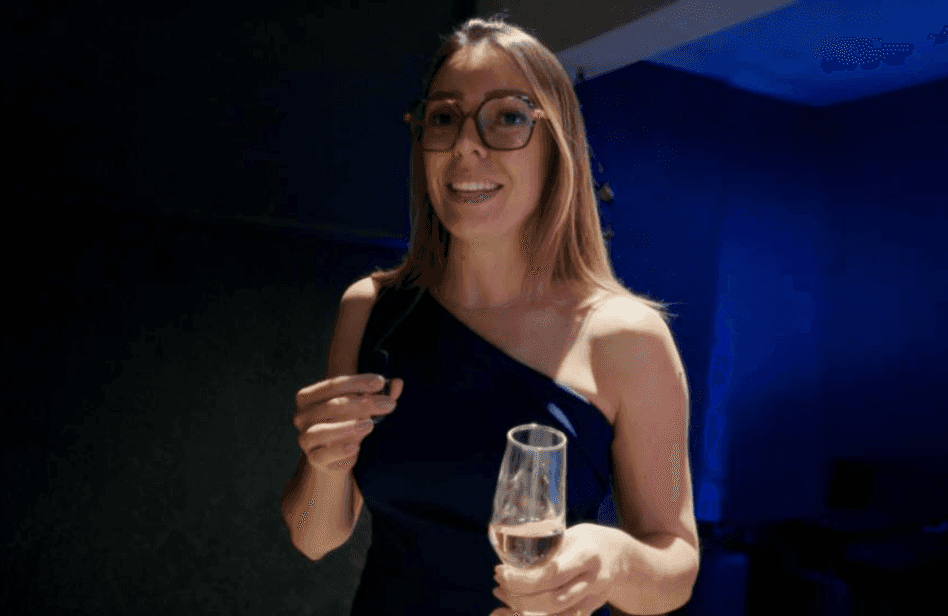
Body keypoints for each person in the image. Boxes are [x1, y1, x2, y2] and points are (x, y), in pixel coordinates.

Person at [281, 14, 700, 616]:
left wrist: (614, 561)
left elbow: (676, 563)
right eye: (444, 118)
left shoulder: (626, 337)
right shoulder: (371, 308)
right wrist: (323, 463)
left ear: (555, 146)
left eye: (507, 116)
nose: (465, 145)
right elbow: (313, 536)